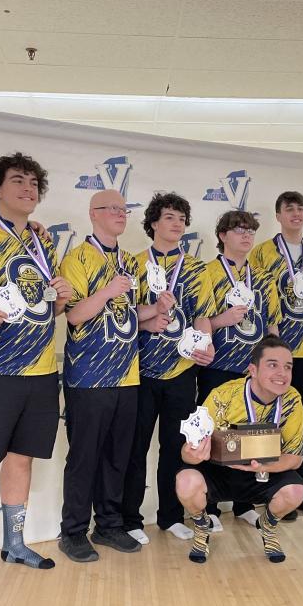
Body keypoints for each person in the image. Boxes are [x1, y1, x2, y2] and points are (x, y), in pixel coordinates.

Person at [0, 153, 73, 595]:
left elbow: (47, 305)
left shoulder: (42, 242)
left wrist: (62, 296)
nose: (28, 189)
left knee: (21, 460)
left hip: (42, 371)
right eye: (17, 181)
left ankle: (15, 545)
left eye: (34, 183)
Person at [58, 189, 170, 562]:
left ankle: (108, 524)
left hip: (127, 375)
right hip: (89, 378)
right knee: (84, 457)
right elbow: (74, 315)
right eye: (113, 209)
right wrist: (107, 290)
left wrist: (155, 311)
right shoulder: (77, 257)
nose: (122, 214)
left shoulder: (129, 261)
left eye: (125, 209)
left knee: (117, 457)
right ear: (94, 214)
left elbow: (128, 316)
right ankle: (72, 532)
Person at [122, 192, 215, 545]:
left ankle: (170, 516)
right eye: (169, 217)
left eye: (181, 219)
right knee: (135, 447)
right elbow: (123, 315)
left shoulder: (195, 268)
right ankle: (130, 518)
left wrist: (207, 343)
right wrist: (147, 324)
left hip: (181, 370)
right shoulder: (132, 264)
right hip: (140, 371)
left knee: (176, 447)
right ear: (153, 224)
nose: (177, 224)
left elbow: (203, 316)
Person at [176, 336, 303, 564]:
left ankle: (268, 525)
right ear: (252, 370)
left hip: (263, 469)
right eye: (273, 365)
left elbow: (295, 458)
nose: (282, 374)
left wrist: (262, 465)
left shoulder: (292, 399)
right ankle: (201, 525)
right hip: (220, 470)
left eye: (288, 367)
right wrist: (194, 454)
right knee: (186, 481)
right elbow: (187, 452)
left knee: (295, 490)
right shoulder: (223, 395)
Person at [249, 191, 303, 519]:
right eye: (289, 209)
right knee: (267, 420)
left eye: (301, 208)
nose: (296, 213)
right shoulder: (262, 252)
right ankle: (267, 489)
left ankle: (299, 486)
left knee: (302, 421)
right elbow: (253, 296)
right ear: (278, 215)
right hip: (273, 347)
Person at [199, 209, 281, 529]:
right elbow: (201, 318)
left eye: (250, 230)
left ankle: (245, 502)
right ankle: (213, 507)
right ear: (222, 236)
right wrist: (222, 321)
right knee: (218, 437)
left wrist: (272, 364)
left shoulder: (262, 276)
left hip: (252, 371)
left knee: (251, 436)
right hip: (218, 367)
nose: (246, 235)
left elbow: (272, 324)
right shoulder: (207, 272)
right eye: (238, 230)